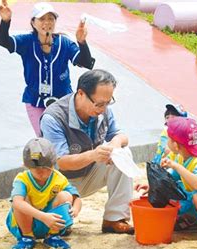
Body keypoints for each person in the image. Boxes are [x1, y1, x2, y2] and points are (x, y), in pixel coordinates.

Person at [40, 69, 134, 234]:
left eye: (108, 102)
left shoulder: (103, 110)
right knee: (60, 227)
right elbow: (61, 162)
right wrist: (94, 155)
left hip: (89, 174)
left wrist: (116, 143)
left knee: (123, 153)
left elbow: (121, 136)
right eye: (99, 104)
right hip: (59, 183)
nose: (103, 109)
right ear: (81, 93)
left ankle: (114, 219)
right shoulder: (53, 118)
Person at [0, 1, 95, 136]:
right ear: (33, 22)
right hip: (35, 101)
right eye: (42, 19)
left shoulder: (64, 43)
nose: (47, 22)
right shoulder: (26, 41)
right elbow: (4, 42)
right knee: (46, 139)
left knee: (70, 137)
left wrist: (82, 42)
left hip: (63, 102)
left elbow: (85, 62)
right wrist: (5, 21)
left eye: (51, 18)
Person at [138, 117, 197, 238]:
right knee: (169, 193)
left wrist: (176, 166)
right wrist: (153, 186)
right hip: (193, 194)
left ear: (175, 145)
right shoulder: (182, 156)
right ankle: (191, 222)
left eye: (169, 138)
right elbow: (169, 178)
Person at [6, 138, 82, 249]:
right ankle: (27, 238)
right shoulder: (23, 179)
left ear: (53, 164)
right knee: (21, 201)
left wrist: (75, 209)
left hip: (52, 223)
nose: (41, 172)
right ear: (26, 166)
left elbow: (76, 197)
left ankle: (53, 236)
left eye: (45, 168)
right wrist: (43, 217)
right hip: (26, 223)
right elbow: (17, 202)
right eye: (36, 168)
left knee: (65, 195)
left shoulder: (58, 178)